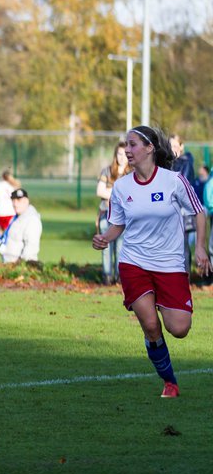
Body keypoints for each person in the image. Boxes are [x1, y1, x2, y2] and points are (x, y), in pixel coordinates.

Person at [92, 125, 209, 398]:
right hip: (134, 263)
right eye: (125, 145)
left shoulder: (173, 181)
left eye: (132, 145)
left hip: (170, 264)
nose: (127, 151)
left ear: (149, 148)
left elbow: (199, 212)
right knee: (151, 326)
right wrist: (105, 238)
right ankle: (170, 381)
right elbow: (117, 224)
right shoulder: (121, 187)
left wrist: (201, 248)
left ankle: (158, 305)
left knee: (179, 328)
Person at [96, 141, 130, 284]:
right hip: (106, 212)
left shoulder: (132, 173)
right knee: (105, 245)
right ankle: (107, 276)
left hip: (123, 216)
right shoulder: (107, 171)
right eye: (119, 154)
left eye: (125, 154)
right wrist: (118, 193)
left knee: (121, 246)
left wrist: (110, 192)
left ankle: (119, 277)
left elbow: (131, 195)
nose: (122, 157)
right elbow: (99, 191)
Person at [0, 188, 42, 263]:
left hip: (20, 268)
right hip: (8, 264)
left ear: (26, 201)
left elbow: (31, 247)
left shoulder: (32, 219)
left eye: (19, 200)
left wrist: (20, 265)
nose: (15, 204)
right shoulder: (16, 218)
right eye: (13, 200)